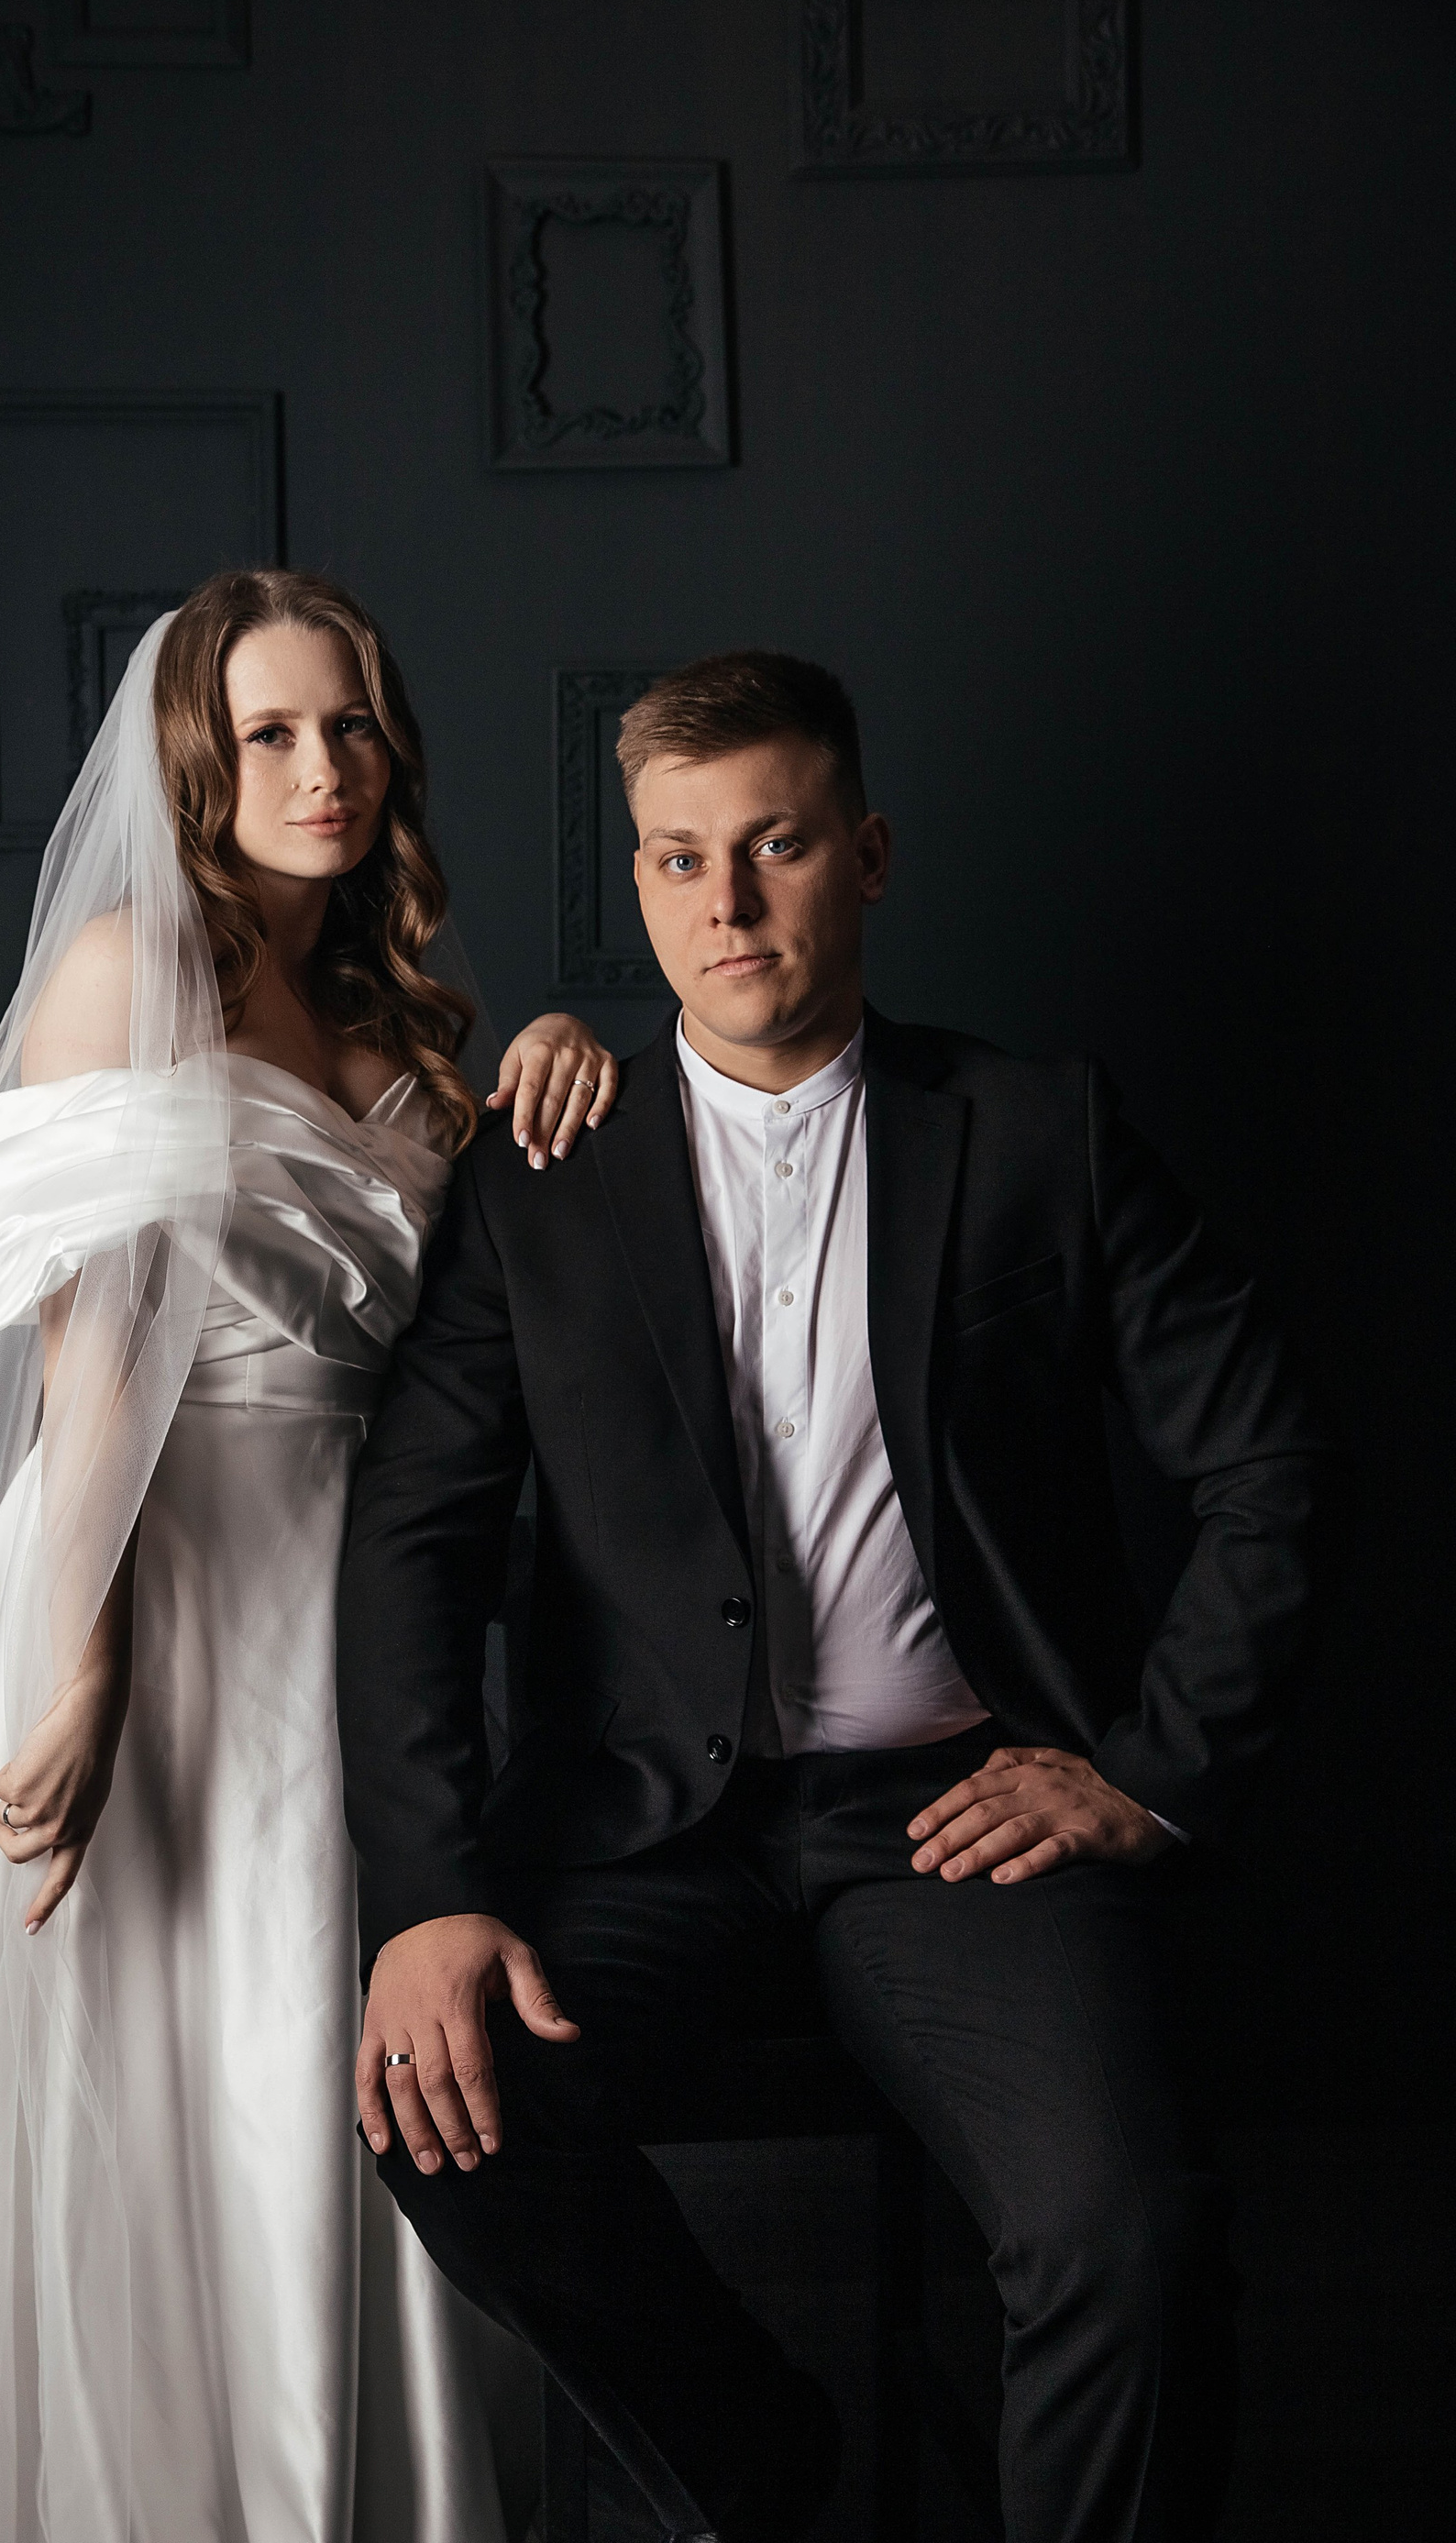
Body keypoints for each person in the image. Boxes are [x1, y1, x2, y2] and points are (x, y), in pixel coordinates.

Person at [336, 649, 1339, 2541]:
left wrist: (1151, 1771)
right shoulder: (540, 1173)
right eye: (677, 859)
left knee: (1129, 2231)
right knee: (443, 2119)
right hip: (640, 1828)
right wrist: (430, 1893)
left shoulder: (1040, 1130)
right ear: (641, 883)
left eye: (776, 846)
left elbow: (1273, 1460)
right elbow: (415, 1541)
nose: (725, 902)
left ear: (865, 856)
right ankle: (766, 2477)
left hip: (961, 1819)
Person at [0, 569, 621, 2543]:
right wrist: (85, 1659)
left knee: (321, 2058)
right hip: (141, 1577)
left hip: (354, 1613)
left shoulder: (399, 1010)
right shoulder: (121, 969)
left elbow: (486, 1317)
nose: (323, 769)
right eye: (270, 733)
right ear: (193, 764)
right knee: (147, 2077)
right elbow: (91, 1349)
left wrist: (560, 1052)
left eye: (351, 726)